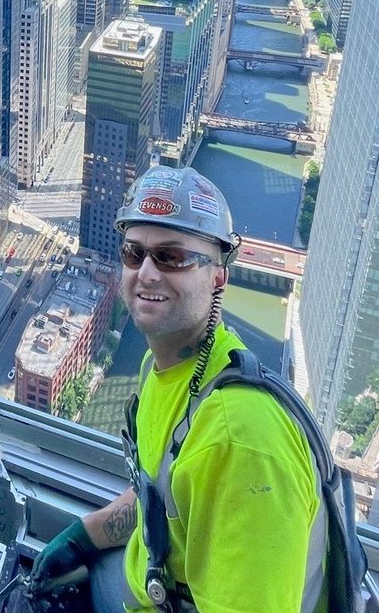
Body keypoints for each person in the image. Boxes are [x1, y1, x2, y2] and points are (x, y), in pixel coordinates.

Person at [30, 166, 323, 613]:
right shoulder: (163, 367)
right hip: (148, 582)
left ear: (217, 279)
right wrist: (85, 535)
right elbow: (164, 493)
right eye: (134, 253)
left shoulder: (242, 443)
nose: (146, 272)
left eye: (172, 257)